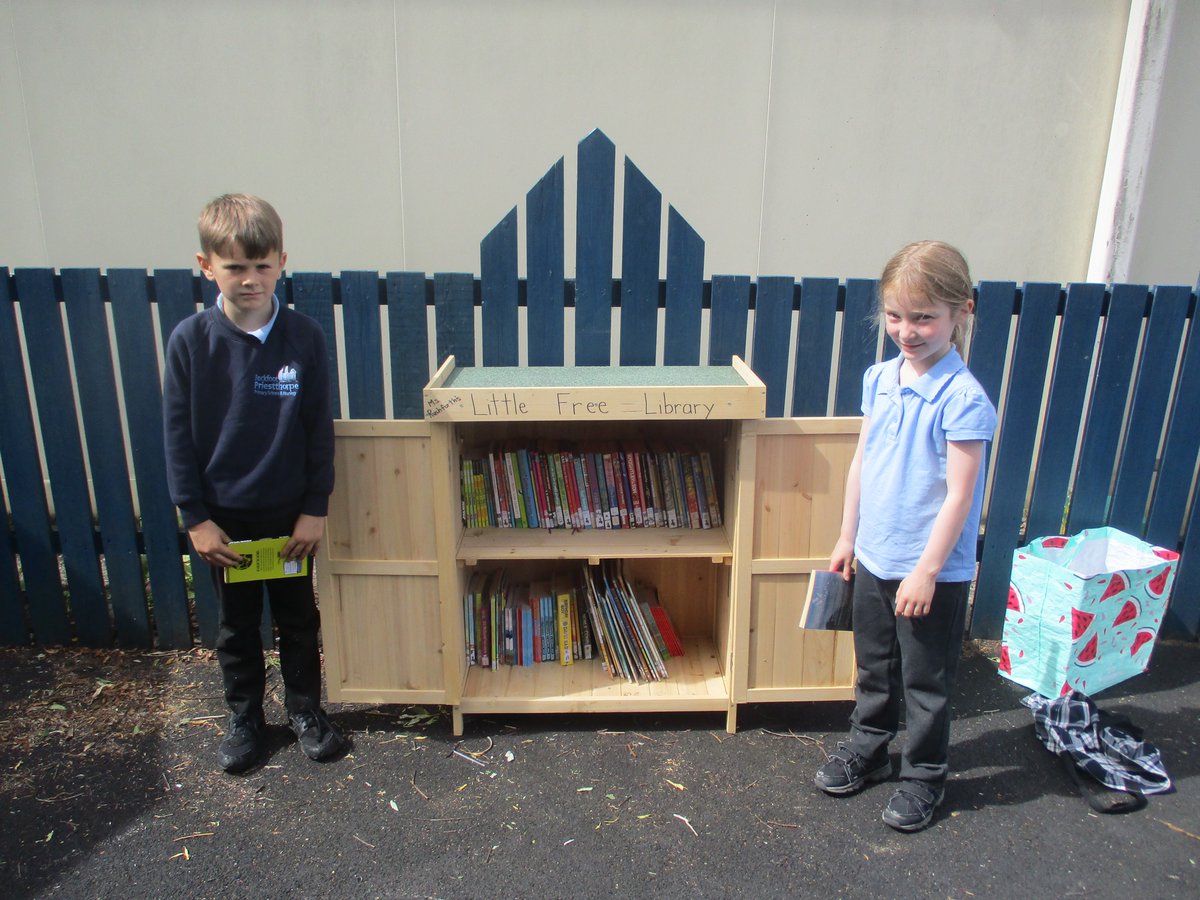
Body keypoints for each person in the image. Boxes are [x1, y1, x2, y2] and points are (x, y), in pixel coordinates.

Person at [813, 241, 997, 832]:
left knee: (926, 681)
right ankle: (868, 751)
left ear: (960, 312)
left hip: (931, 572)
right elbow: (863, 460)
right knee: (873, 667)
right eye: (896, 316)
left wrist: (925, 571)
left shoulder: (963, 398)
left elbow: (961, 496)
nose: (907, 331)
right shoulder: (880, 378)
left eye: (924, 317)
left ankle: (923, 777)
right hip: (873, 556)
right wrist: (848, 536)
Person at [163, 193, 346, 773]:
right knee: (237, 626)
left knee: (298, 618)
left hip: (290, 519)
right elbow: (175, 437)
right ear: (206, 266)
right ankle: (245, 721)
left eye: (262, 265)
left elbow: (320, 428)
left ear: (282, 262)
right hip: (226, 522)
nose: (250, 279)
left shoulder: (305, 338)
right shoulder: (191, 342)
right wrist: (196, 518)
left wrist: (314, 509)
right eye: (235, 266)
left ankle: (305, 713)